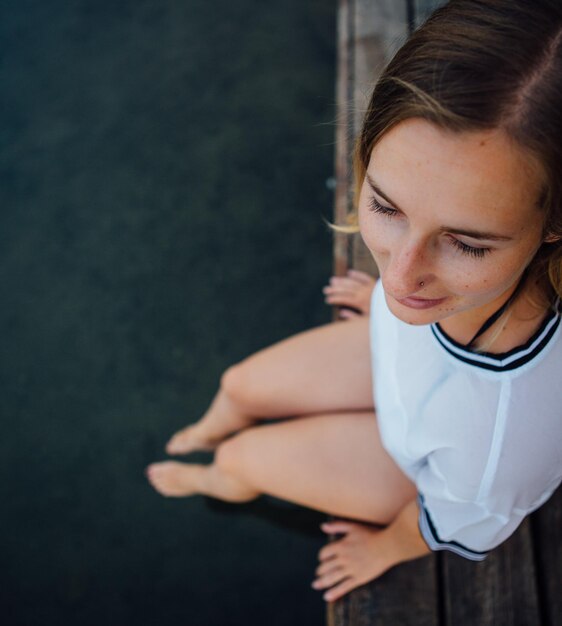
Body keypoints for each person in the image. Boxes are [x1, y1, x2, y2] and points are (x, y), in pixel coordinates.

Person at [146, 0, 562, 603]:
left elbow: (460, 519)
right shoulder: (424, 290)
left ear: (553, 224)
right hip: (402, 368)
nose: (400, 278)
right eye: (387, 208)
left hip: (413, 468)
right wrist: (391, 316)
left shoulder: (499, 442)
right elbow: (406, 279)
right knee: (237, 386)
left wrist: (384, 546)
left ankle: (216, 475)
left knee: (243, 460)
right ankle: (206, 435)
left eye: (467, 245)